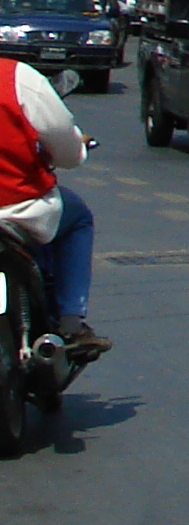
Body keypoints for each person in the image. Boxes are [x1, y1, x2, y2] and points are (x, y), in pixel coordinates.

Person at [0, 53, 105, 365]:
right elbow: (67, 149)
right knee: (78, 219)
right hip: (19, 209)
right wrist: (77, 147)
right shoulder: (18, 79)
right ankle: (71, 322)